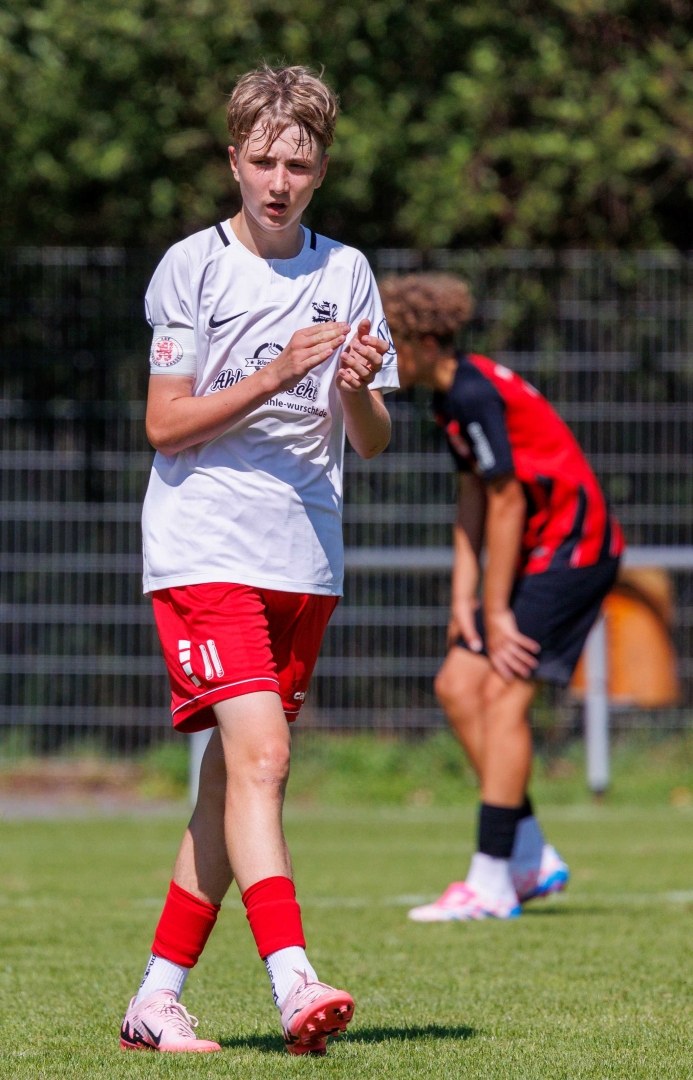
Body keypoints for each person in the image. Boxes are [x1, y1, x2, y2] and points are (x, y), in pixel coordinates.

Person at [119, 65, 398, 1055]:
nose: (281, 182)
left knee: (230, 783)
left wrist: (354, 384)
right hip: (205, 547)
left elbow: (370, 439)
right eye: (266, 161)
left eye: (300, 165)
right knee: (265, 761)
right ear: (233, 158)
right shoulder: (192, 267)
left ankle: (155, 1000)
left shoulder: (347, 271)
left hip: (304, 555)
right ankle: (293, 981)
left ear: (321, 171)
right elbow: (166, 424)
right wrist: (278, 370)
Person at [379, 274, 623, 922]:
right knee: (458, 686)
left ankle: (490, 882)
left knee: (502, 694)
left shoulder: (471, 391)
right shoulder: (448, 398)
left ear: (424, 343)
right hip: (535, 553)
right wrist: (464, 599)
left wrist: (495, 610)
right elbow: (474, 497)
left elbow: (508, 499)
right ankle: (530, 855)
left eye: (391, 340)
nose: (381, 353)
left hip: (573, 549)